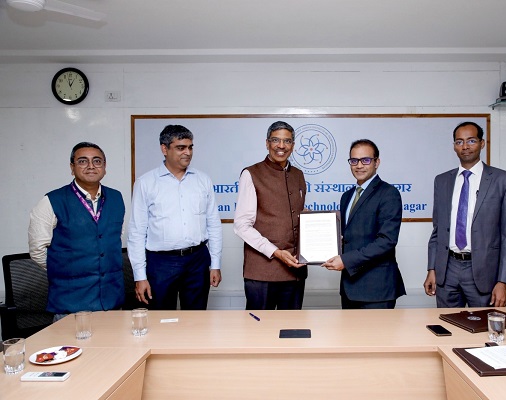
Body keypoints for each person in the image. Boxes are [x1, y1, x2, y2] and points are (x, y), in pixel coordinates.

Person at [424, 121, 506, 308]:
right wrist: (432, 268)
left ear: (482, 143)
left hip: (484, 271)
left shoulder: (504, 180)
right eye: (459, 142)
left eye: (471, 141)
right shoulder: (442, 181)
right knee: (446, 324)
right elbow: (438, 230)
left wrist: (504, 281)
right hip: (447, 270)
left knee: (484, 324)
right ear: (454, 146)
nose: (465, 146)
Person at [127, 125, 222, 310]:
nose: (188, 152)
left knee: (196, 319)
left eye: (190, 147)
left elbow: (213, 224)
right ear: (164, 149)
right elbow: (137, 232)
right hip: (161, 263)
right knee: (161, 319)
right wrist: (140, 276)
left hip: (198, 260)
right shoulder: (146, 183)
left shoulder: (202, 180)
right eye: (181, 148)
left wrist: (215, 264)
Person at [28, 142, 125, 320]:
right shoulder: (51, 201)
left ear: (104, 167)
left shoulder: (116, 197)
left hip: (112, 300)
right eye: (82, 161)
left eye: (97, 161)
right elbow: (37, 250)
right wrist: (66, 269)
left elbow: (114, 239)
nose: (91, 166)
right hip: (70, 304)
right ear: (72, 168)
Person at [322, 139, 405, 309]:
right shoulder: (347, 196)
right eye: (354, 160)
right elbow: (348, 236)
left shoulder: (389, 193)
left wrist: (346, 260)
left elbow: (386, 241)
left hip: (377, 289)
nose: (359, 165)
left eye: (365, 160)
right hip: (349, 286)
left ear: (376, 162)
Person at [233, 121, 307, 310]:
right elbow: (242, 225)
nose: (281, 146)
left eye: (287, 141)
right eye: (275, 140)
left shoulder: (298, 175)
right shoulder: (251, 174)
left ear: (293, 145)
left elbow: (297, 217)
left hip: (295, 271)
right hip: (261, 273)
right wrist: (275, 252)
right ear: (267, 143)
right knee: (258, 327)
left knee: (291, 326)